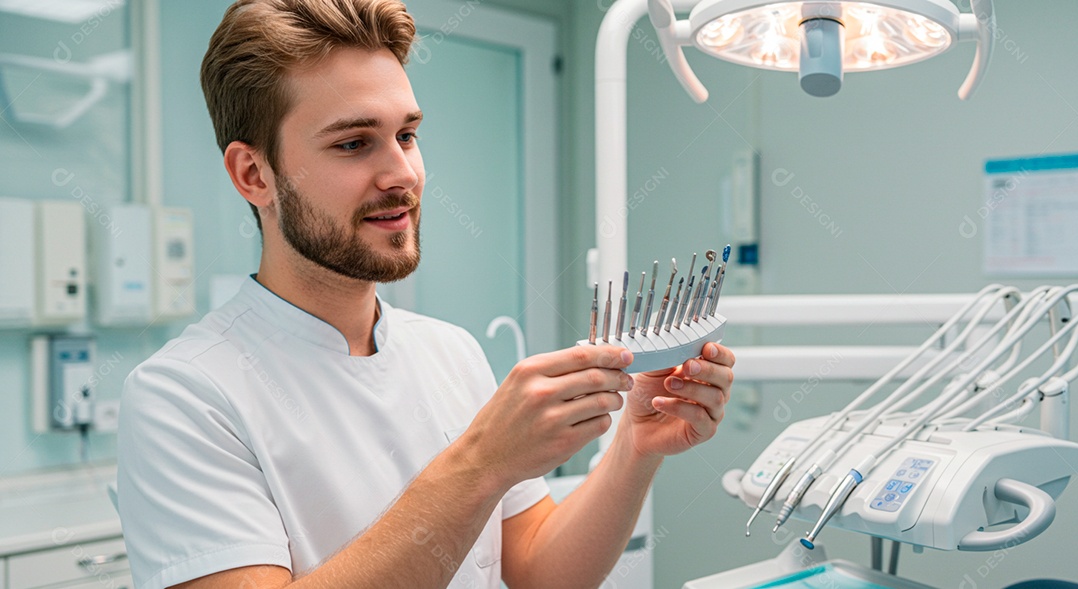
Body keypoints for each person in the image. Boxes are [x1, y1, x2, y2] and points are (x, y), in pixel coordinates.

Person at [116, 1, 736, 588]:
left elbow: (539, 572)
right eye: (353, 143)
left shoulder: (450, 351)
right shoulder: (184, 397)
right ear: (255, 174)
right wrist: (480, 461)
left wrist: (634, 444)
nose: (403, 174)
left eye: (406, 135)